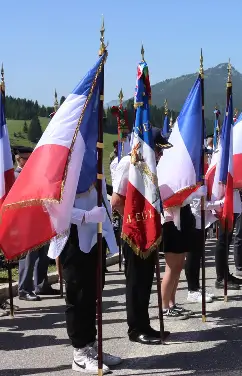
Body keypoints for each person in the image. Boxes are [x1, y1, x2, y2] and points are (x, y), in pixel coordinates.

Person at [50, 157, 122, 373]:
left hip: (94, 235)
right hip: (72, 236)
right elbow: (52, 204)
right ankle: (80, 352)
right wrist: (85, 216)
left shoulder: (92, 156)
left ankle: (91, 346)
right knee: (78, 296)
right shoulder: (60, 159)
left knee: (93, 293)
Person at [111, 128, 173, 345]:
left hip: (148, 231)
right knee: (136, 282)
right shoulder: (128, 163)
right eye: (158, 150)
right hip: (135, 231)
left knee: (146, 281)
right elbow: (117, 202)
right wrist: (136, 222)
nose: (161, 155)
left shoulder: (149, 166)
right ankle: (135, 329)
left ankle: (145, 324)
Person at [15, 146, 59, 301]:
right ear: (18, 159)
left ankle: (41, 285)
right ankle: (24, 289)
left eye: (30, 158)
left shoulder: (36, 175)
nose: (28, 161)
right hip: (26, 222)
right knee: (28, 257)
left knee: (43, 255)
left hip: (41, 219)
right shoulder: (15, 176)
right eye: (25, 159)